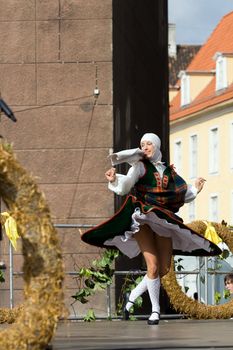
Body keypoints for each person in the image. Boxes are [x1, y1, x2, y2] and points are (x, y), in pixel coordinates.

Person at [81, 132, 221, 325]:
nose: (145, 147)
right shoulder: (139, 166)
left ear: (157, 146)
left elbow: (179, 194)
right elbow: (125, 187)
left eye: (149, 144)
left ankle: (132, 296)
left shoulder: (169, 172)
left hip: (162, 219)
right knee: (153, 266)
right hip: (143, 218)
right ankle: (155, 311)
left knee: (164, 268)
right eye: (142, 144)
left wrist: (195, 188)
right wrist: (114, 180)